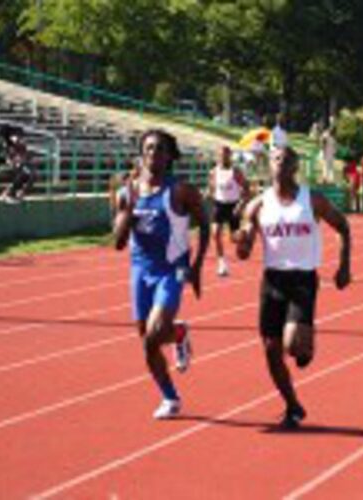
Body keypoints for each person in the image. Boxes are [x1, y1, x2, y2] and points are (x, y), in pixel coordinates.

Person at [236, 146, 352, 429]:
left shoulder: (312, 200)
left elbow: (343, 226)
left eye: (287, 160)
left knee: (291, 345)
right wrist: (241, 239)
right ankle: (292, 405)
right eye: (276, 159)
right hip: (272, 280)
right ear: (269, 166)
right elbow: (243, 251)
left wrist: (344, 265)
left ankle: (303, 344)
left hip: (302, 279)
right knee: (270, 348)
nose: (280, 164)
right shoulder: (257, 205)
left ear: (295, 167)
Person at [113, 128, 210, 420]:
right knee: (147, 338)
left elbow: (205, 224)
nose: (153, 153)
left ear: (169, 156)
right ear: (141, 154)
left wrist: (197, 266)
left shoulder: (180, 190)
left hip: (173, 268)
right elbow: (117, 242)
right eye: (148, 148)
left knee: (152, 337)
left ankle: (169, 396)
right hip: (140, 269)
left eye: (159, 149)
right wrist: (128, 210)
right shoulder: (125, 192)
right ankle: (171, 390)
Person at [208, 145, 250, 276]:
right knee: (215, 233)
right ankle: (222, 263)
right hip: (219, 205)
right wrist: (208, 194)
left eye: (225, 154)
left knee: (234, 239)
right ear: (217, 156)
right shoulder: (213, 172)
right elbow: (212, 188)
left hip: (233, 206)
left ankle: (245, 233)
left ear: (230, 156)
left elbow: (247, 190)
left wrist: (240, 205)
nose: (222, 157)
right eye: (220, 155)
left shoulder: (236, 171)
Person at [0, 125, 35, 203]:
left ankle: (18, 193)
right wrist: (10, 161)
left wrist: (21, 160)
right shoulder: (7, 144)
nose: (18, 138)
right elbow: (5, 157)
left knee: (31, 173)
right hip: (12, 164)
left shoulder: (20, 144)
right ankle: (10, 193)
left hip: (21, 164)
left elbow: (25, 155)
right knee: (24, 172)